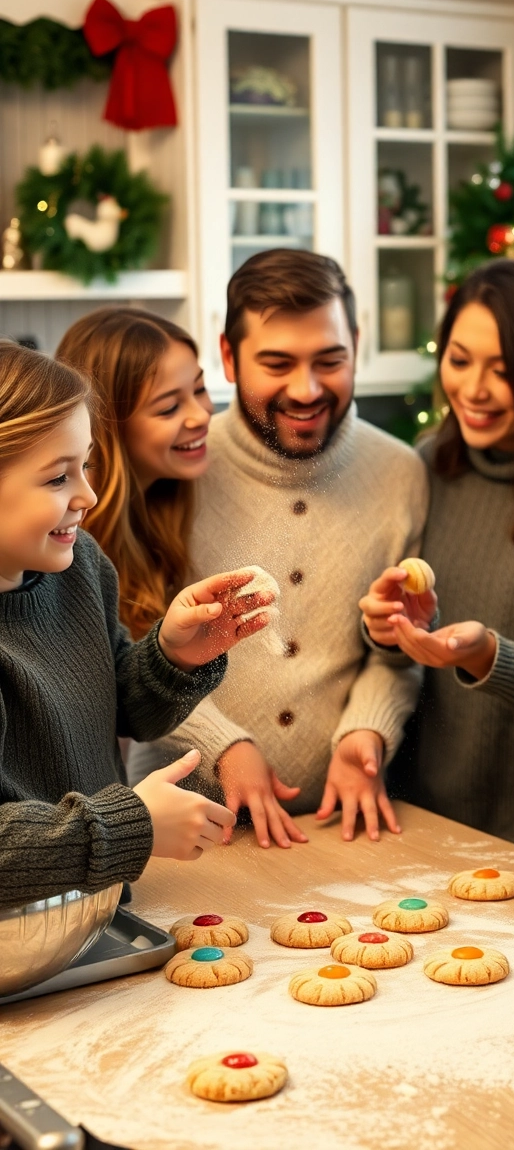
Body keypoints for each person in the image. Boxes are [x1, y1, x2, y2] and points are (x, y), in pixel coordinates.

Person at [129, 249, 428, 847]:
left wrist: (365, 734)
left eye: (330, 360)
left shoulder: (400, 472)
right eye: (277, 362)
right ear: (228, 357)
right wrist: (222, 747)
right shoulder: (177, 463)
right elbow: (133, 650)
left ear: (357, 345)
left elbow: (397, 649)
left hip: (343, 827)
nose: (307, 388)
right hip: (183, 831)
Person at [0, 341, 275, 910]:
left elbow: (126, 710)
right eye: (57, 479)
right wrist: (132, 824)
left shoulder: (79, 569)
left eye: (86, 466)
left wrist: (172, 657)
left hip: (95, 920)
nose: (88, 495)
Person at [362, 259, 514, 846]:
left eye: (504, 369)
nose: (474, 389)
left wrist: (485, 652)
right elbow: (412, 628)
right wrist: (387, 626)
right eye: (459, 360)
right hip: (419, 810)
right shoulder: (427, 462)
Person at [56, 309, 213, 640]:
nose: (201, 415)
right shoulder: (69, 540)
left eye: (199, 389)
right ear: (107, 427)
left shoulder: (161, 501)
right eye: (169, 408)